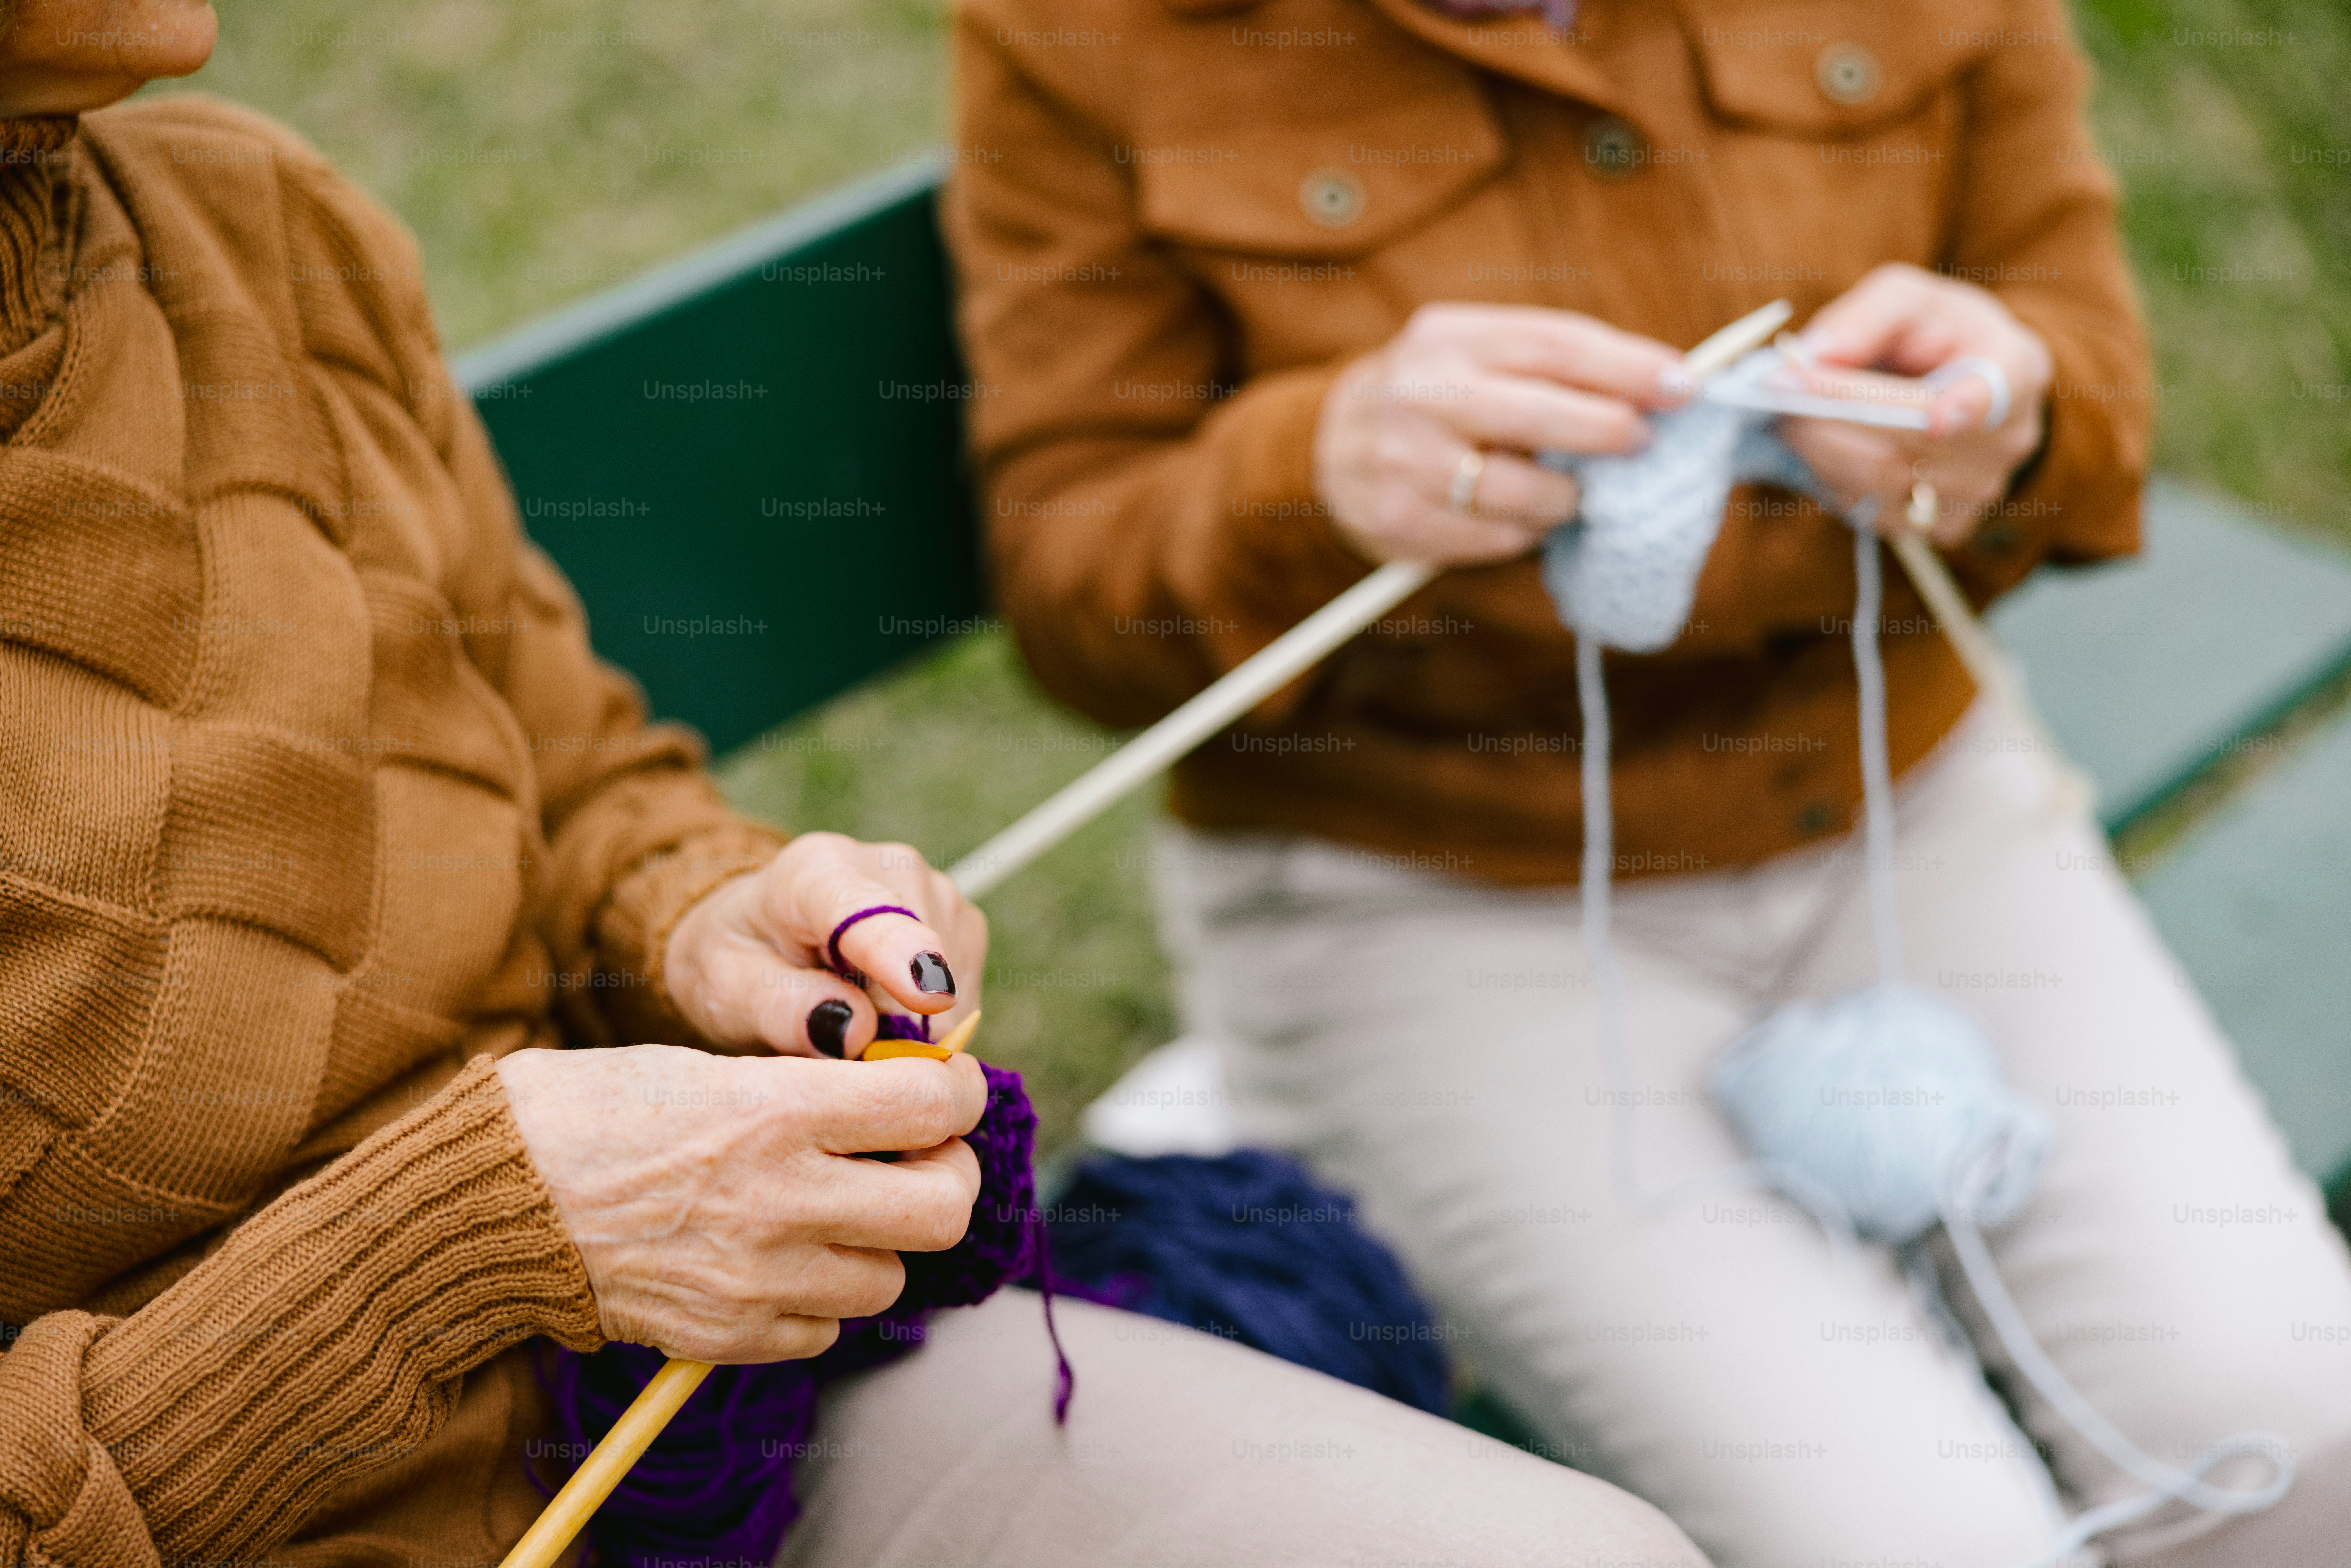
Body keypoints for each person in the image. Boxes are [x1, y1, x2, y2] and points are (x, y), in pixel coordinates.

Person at [0, 3, 1716, 1566]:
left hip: (665, 1425)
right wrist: (443, 1248)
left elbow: (577, 778)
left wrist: (708, 922)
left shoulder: (253, 227)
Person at [946, 0, 2351, 1562]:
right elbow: (1079, 596)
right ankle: (1305, 1091)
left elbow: (2079, 355)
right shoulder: (1087, 31)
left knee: (2298, 1436)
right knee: (1916, 1538)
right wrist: (1315, 474)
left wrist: (2006, 409)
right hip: (1431, 899)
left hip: (1908, 806)